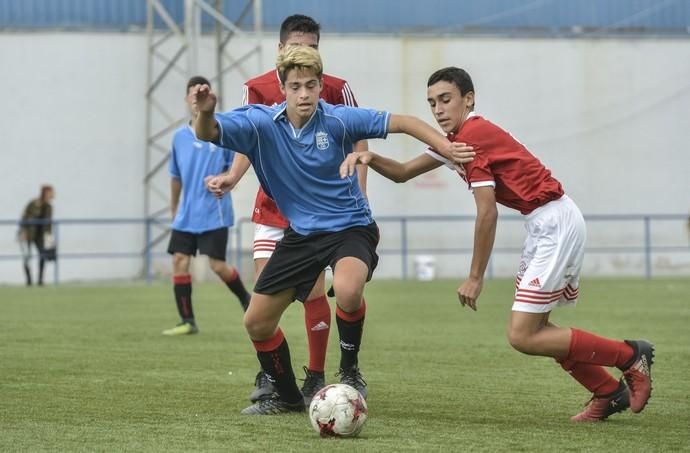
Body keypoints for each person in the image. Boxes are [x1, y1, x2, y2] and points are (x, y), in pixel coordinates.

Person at [339, 66, 654, 422]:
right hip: (543, 224)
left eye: (446, 99)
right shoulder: (456, 141)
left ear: (468, 99)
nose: (438, 110)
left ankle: (629, 355)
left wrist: (475, 276)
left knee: (522, 335)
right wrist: (371, 157)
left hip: (554, 223)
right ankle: (608, 391)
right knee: (538, 330)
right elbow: (403, 173)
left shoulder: (472, 136)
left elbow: (486, 212)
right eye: (431, 103)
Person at [197, 46, 474, 415]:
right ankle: (288, 397)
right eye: (295, 86)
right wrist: (205, 111)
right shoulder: (259, 123)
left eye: (311, 85)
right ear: (282, 88)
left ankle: (349, 370)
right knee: (257, 322)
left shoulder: (339, 119)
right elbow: (208, 132)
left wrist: (447, 147)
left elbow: (404, 121)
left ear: (320, 84)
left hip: (351, 227)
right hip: (301, 235)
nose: (304, 94)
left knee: (346, 289)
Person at [207, 14, 371, 405]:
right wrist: (232, 177)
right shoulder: (258, 89)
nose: (305, 52)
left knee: (317, 289)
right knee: (266, 292)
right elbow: (250, 137)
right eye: (298, 45)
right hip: (273, 206)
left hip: (323, 210)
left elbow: (359, 145)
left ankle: (318, 376)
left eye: (313, 46)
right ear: (280, 50)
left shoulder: (335, 88)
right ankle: (272, 377)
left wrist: (359, 200)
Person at [162, 75, 252, 336]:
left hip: (215, 209)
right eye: (193, 96)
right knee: (179, 261)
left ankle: (246, 299)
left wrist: (224, 179)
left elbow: (234, 167)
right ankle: (187, 321)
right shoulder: (179, 137)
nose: (196, 100)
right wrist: (174, 206)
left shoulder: (220, 130)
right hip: (186, 214)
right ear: (188, 100)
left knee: (217, 265)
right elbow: (175, 176)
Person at [19, 185, 55, 286]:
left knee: (43, 255)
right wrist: (23, 232)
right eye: (50, 192)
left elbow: (48, 225)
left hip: (41, 236)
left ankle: (40, 281)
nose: (52, 195)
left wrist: (50, 240)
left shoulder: (49, 207)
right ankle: (29, 281)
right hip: (29, 233)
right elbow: (24, 217)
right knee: (27, 256)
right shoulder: (33, 203)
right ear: (45, 193)